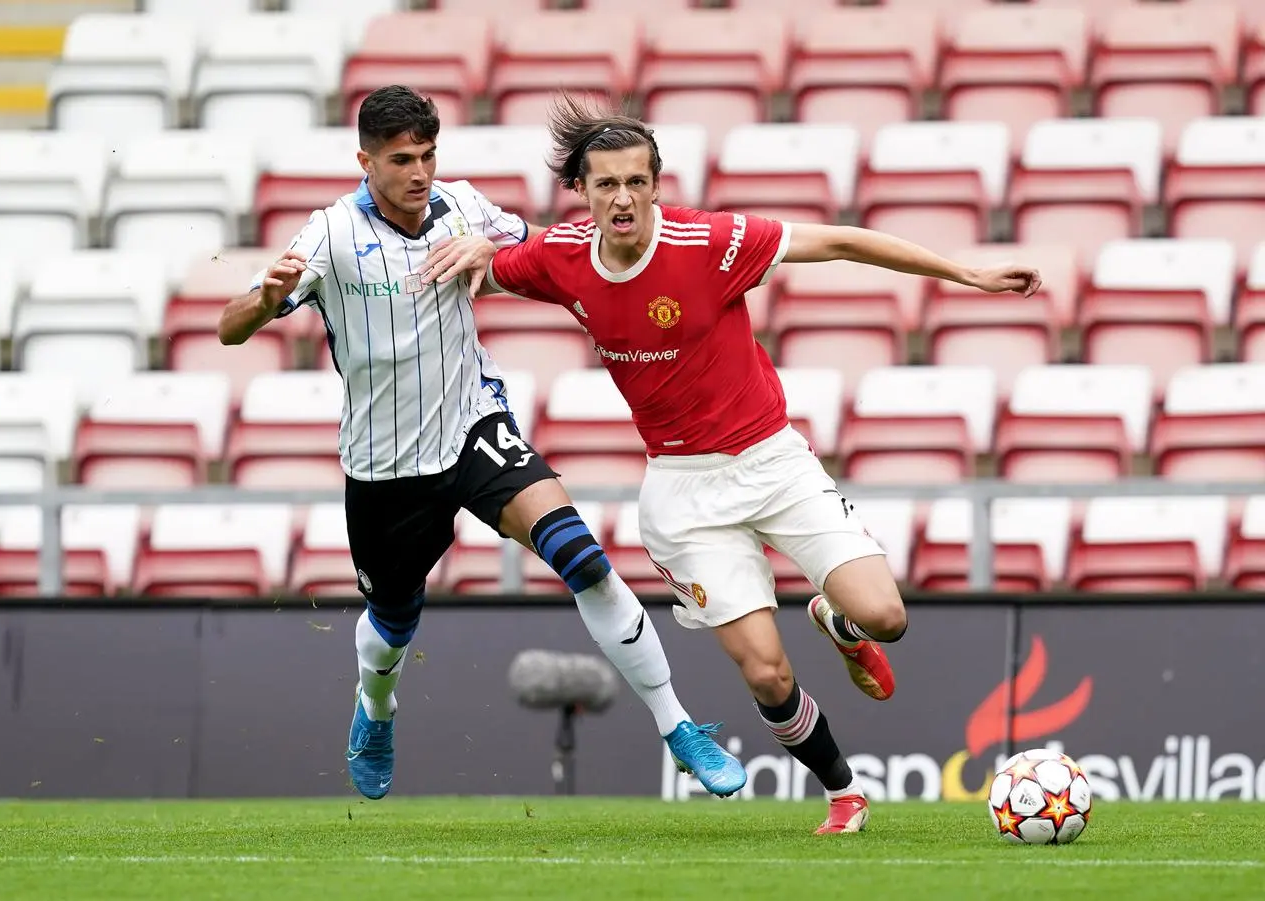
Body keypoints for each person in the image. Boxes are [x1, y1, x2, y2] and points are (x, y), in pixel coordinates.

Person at [424, 94, 1042, 834]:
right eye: (606, 185)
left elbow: (841, 241)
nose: (623, 198)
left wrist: (966, 275)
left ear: (657, 184)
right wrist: (480, 256)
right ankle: (844, 792)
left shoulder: (710, 242)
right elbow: (491, 267)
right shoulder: (560, 256)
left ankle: (842, 623)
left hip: (772, 461)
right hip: (684, 494)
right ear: (582, 193)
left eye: (636, 182)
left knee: (888, 615)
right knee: (767, 672)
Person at [217, 86, 746, 802]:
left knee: (583, 559)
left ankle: (678, 726)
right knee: (393, 624)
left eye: (428, 155)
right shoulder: (330, 235)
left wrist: (496, 241)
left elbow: (549, 251)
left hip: (475, 429)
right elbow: (231, 326)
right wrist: (262, 298)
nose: (419, 172)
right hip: (386, 464)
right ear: (365, 160)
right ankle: (375, 710)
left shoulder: (463, 205)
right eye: (401, 158)